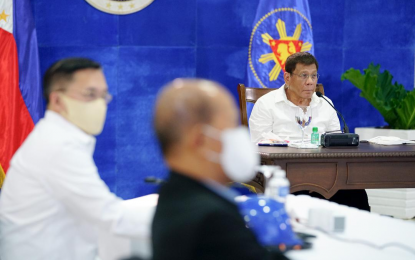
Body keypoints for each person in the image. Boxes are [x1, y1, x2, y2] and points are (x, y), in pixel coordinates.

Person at [0, 58, 148, 260]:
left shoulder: (58, 138)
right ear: (57, 100)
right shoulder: (56, 146)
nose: (99, 104)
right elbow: (110, 216)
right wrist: (187, 220)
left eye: (103, 95)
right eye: (90, 94)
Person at [152, 79, 288, 260]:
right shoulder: (213, 221)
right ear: (201, 140)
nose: (239, 137)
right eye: (231, 127)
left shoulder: (175, 195)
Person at [249, 52, 370, 211]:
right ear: (287, 78)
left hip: (325, 175)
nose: (310, 82)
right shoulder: (266, 104)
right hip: (284, 176)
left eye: (314, 76)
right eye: (304, 76)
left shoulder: (325, 104)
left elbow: (336, 143)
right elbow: (259, 143)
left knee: (356, 192)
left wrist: (320, 177)